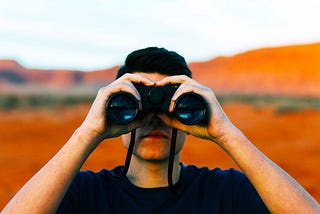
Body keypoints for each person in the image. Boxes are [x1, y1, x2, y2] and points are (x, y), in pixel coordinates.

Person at [1, 47, 319, 214]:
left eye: (171, 107)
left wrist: (227, 133)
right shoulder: (81, 192)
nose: (155, 119)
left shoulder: (227, 192)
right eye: (136, 106)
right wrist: (88, 132)